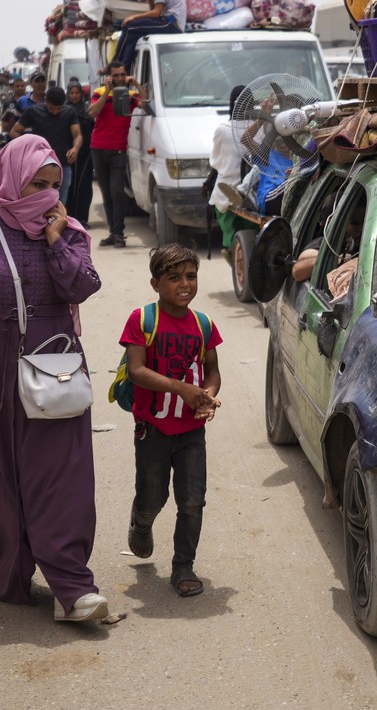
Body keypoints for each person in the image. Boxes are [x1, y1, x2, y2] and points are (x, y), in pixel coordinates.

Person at [0, 134, 107, 622]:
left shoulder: (69, 231)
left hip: (55, 366)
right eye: (37, 185)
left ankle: (73, 588)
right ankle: (13, 569)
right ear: (11, 181)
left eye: (54, 185)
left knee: (63, 477)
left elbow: (83, 285)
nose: (47, 196)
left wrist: (54, 240)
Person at [121, 243, 222, 598]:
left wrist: (206, 397)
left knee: (192, 500)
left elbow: (212, 371)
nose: (184, 284)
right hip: (153, 429)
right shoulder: (142, 320)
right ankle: (141, 521)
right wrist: (181, 389)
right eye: (174, 277)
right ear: (155, 283)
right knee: (153, 495)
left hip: (192, 431)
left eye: (191, 276)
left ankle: (183, 566)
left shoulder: (203, 324)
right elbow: (136, 371)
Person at [88, 63, 141, 247]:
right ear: (110, 77)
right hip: (98, 148)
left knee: (117, 192)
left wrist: (136, 84)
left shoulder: (131, 95)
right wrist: (107, 92)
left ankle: (118, 233)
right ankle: (113, 232)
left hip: (118, 149)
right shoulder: (100, 92)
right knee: (106, 193)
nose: (120, 78)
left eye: (123, 75)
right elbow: (92, 112)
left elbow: (146, 103)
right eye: (116, 75)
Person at [207, 85, 255, 263]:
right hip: (253, 194)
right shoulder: (260, 128)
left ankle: (230, 249)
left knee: (229, 230)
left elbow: (215, 162)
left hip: (225, 192)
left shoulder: (222, 129)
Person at [12, 83, 82, 203]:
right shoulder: (33, 111)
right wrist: (29, 149)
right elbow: (14, 132)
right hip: (39, 166)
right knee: (40, 202)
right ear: (46, 101)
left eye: (59, 109)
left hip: (62, 165)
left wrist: (75, 149)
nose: (55, 112)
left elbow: (77, 135)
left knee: (60, 202)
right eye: (52, 108)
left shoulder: (69, 112)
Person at [110, 0, 186, 71]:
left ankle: (115, 64)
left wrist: (133, 17)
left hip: (171, 23)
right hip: (166, 21)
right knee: (132, 36)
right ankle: (124, 69)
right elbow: (154, 10)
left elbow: (156, 13)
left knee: (129, 25)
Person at [65, 80, 95, 224]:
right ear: (68, 94)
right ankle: (70, 217)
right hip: (68, 152)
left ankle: (82, 218)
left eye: (77, 93)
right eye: (72, 93)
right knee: (69, 184)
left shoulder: (87, 109)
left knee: (84, 184)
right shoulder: (64, 110)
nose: (75, 96)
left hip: (86, 153)